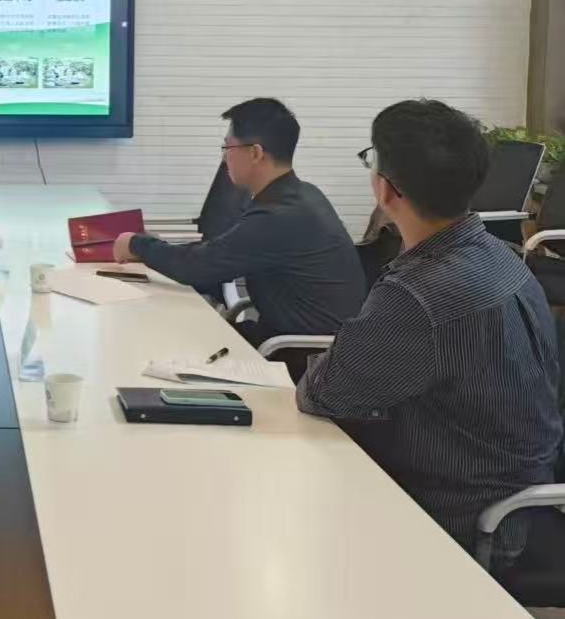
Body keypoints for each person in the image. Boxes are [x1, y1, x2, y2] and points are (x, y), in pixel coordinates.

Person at [297, 99, 562, 563]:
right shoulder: (502, 258)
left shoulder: (419, 292)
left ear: (386, 190)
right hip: (518, 495)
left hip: (462, 519)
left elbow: (323, 394)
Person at [112, 98, 366, 343]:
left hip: (297, 353)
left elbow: (199, 267)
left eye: (228, 148)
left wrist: (136, 245)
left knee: (158, 334)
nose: (225, 158)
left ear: (255, 153)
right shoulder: (302, 195)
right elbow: (217, 254)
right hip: (293, 337)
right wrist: (154, 250)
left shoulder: (279, 216)